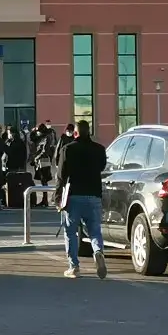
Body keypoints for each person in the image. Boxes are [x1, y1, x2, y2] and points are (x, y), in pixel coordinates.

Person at [55, 120, 107, 279]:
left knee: (70, 232)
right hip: (94, 195)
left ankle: (74, 267)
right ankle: (98, 251)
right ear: (89, 132)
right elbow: (102, 167)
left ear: (75, 133)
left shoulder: (68, 149)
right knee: (94, 230)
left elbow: (61, 175)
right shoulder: (99, 149)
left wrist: (58, 197)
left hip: (74, 196)